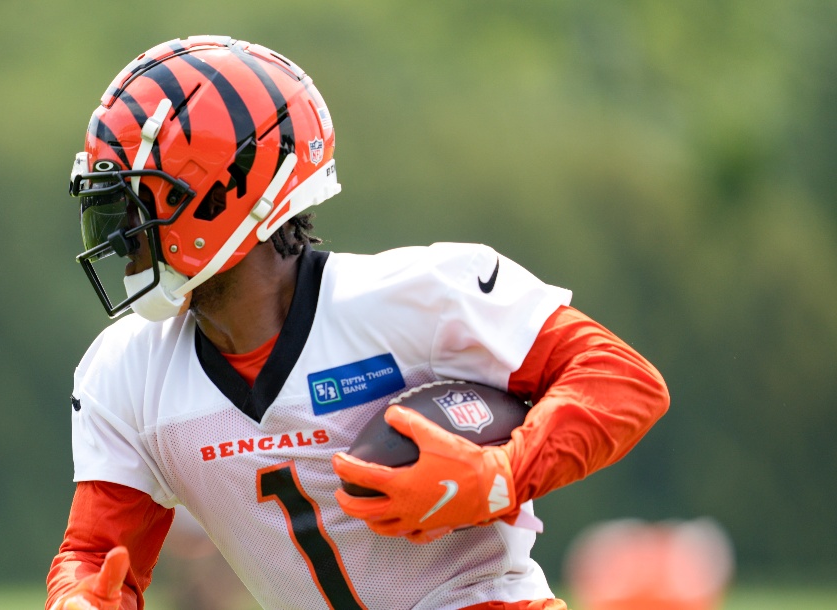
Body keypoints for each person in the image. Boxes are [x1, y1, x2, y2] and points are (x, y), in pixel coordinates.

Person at [47, 35, 669, 610]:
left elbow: (621, 381)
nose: (119, 234)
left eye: (133, 202)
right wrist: (79, 598)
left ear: (222, 192)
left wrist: (497, 477)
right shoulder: (126, 371)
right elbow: (97, 556)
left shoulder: (417, 296)